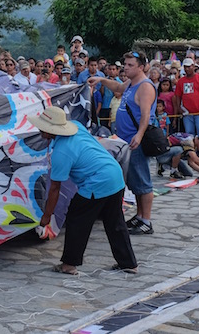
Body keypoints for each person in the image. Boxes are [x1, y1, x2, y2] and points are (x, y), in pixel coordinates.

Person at [32, 107, 138, 276]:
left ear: (50, 130)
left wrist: (47, 216)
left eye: (42, 127)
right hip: (114, 174)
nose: (39, 130)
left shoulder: (61, 152)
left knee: (77, 219)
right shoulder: (76, 126)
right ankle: (128, 263)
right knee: (115, 222)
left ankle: (69, 264)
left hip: (97, 181)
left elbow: (55, 189)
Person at [88, 51, 157, 235]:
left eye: (130, 65)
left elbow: (146, 115)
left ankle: (146, 220)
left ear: (140, 67)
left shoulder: (145, 86)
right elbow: (118, 87)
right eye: (125, 64)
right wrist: (101, 80)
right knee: (134, 180)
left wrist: (139, 135)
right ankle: (139, 216)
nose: (125, 68)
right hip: (125, 140)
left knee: (142, 180)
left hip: (135, 140)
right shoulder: (131, 83)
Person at [174, 58, 199, 157]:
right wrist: (179, 108)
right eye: (185, 67)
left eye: (189, 67)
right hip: (187, 112)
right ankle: (191, 153)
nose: (187, 69)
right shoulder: (181, 81)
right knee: (189, 134)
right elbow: (178, 95)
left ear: (193, 66)